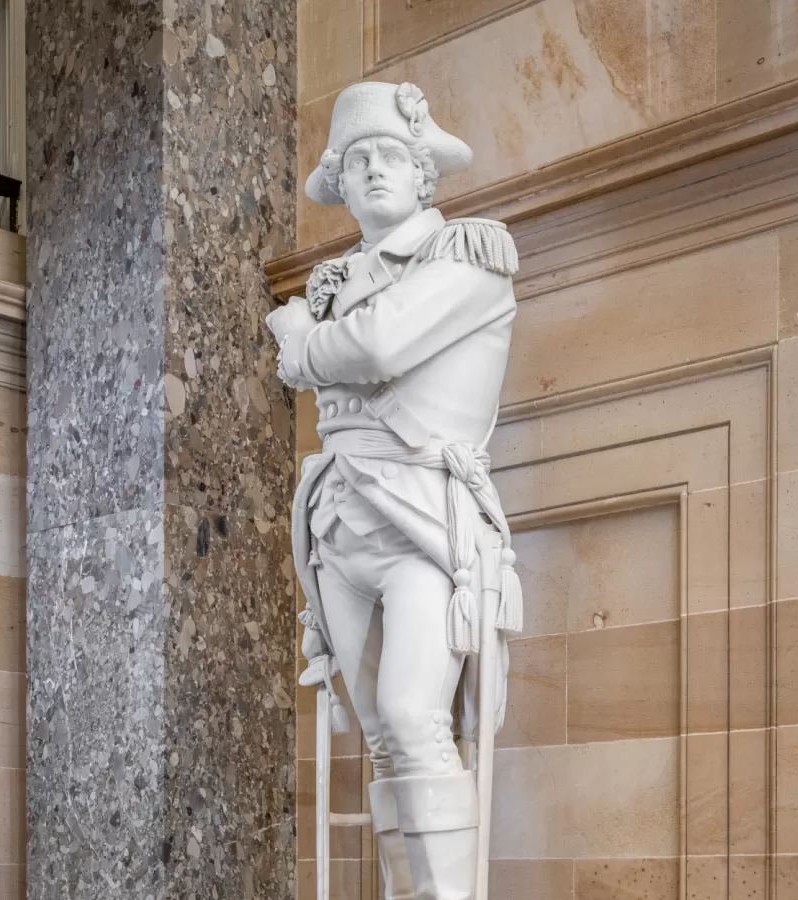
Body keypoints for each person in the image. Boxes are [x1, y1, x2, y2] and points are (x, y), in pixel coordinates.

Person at [267, 81, 522, 900]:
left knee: (417, 720)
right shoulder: (336, 281)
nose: (374, 171)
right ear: (340, 183)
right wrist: (318, 330)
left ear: (425, 175)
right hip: (341, 522)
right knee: (382, 737)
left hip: (424, 519)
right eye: (357, 160)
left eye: (392, 156)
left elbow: (379, 347)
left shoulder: (470, 260)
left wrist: (302, 341)